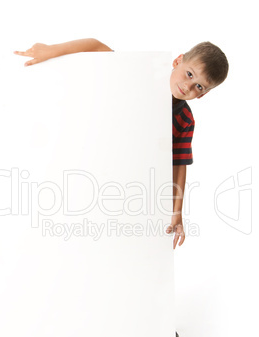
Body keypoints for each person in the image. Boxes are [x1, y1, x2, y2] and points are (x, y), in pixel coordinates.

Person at [14, 39, 229, 252]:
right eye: (189, 74)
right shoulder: (142, 74)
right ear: (178, 60)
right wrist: (52, 49)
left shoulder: (185, 119)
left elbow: (179, 163)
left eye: (198, 86)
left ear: (203, 94)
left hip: (127, 188)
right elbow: (98, 46)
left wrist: (177, 212)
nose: (188, 86)